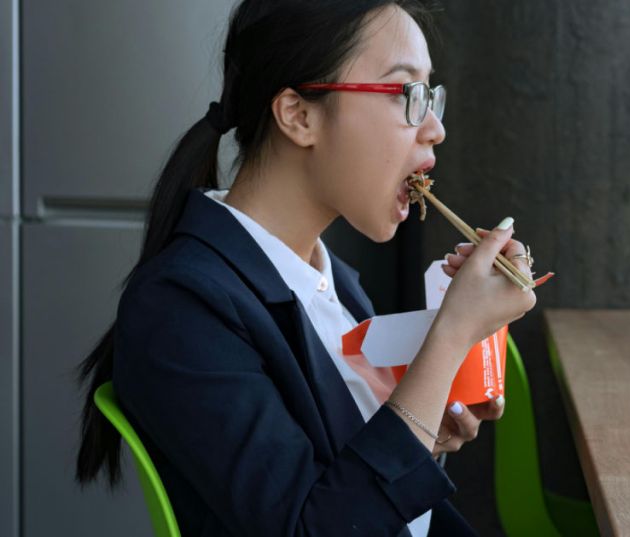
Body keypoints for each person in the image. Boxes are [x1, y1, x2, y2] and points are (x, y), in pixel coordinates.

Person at [73, 1, 536, 535]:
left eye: (431, 95)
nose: (434, 128)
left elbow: (349, 491)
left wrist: (424, 432)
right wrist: (450, 336)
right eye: (406, 92)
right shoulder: (181, 307)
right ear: (298, 115)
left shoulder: (331, 283)